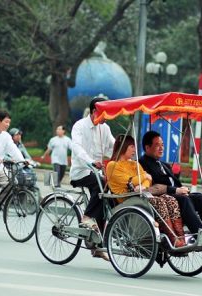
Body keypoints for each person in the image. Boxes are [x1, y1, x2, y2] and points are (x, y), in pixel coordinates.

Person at [106, 134, 186, 247]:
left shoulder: (134, 163)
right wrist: (144, 177)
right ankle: (173, 239)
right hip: (126, 199)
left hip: (141, 195)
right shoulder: (112, 165)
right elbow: (130, 182)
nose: (134, 150)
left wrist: (143, 185)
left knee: (170, 199)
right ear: (123, 147)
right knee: (160, 202)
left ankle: (180, 236)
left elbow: (149, 180)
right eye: (132, 147)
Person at [140, 130, 202, 235]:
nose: (161, 148)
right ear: (147, 147)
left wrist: (183, 189)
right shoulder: (142, 163)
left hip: (177, 194)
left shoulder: (164, 164)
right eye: (157, 145)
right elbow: (153, 187)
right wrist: (177, 190)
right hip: (163, 199)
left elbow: (175, 183)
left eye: (162, 145)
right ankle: (199, 232)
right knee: (184, 199)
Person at [70, 97, 115, 261]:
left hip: (97, 172)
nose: (107, 117)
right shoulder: (80, 126)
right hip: (81, 171)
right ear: (95, 111)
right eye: (105, 112)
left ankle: (97, 246)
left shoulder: (105, 128)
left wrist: (126, 153)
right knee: (102, 185)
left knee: (106, 201)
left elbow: (113, 146)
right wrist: (90, 162)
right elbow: (77, 147)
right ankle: (86, 217)